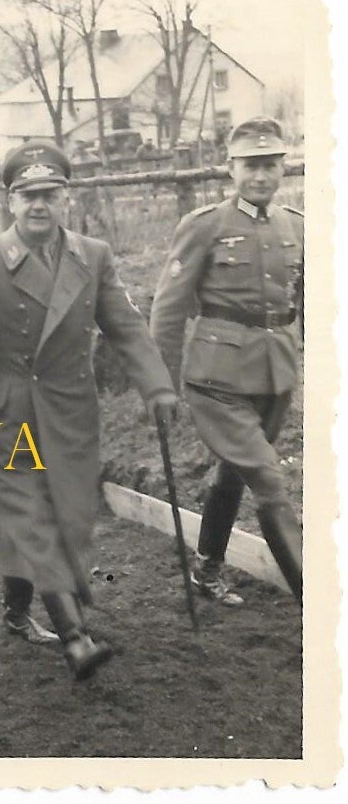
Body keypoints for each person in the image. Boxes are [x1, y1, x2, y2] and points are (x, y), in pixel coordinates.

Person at [0, 139, 177, 681]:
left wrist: (156, 386)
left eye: (49, 193)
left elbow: (124, 325)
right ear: (9, 201)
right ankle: (75, 637)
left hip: (71, 413)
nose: (39, 204)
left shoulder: (92, 256)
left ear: (66, 197)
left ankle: (17, 610)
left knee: (67, 517)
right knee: (31, 514)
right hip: (7, 420)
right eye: (27, 195)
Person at [150, 116, 303, 606]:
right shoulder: (205, 226)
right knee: (269, 479)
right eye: (250, 166)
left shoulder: (296, 226)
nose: (260, 176)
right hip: (217, 379)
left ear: (284, 167)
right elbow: (168, 310)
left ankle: (207, 569)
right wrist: (161, 384)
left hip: (276, 372)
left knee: (234, 471)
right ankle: (321, 605)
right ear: (230, 169)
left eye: (270, 165)